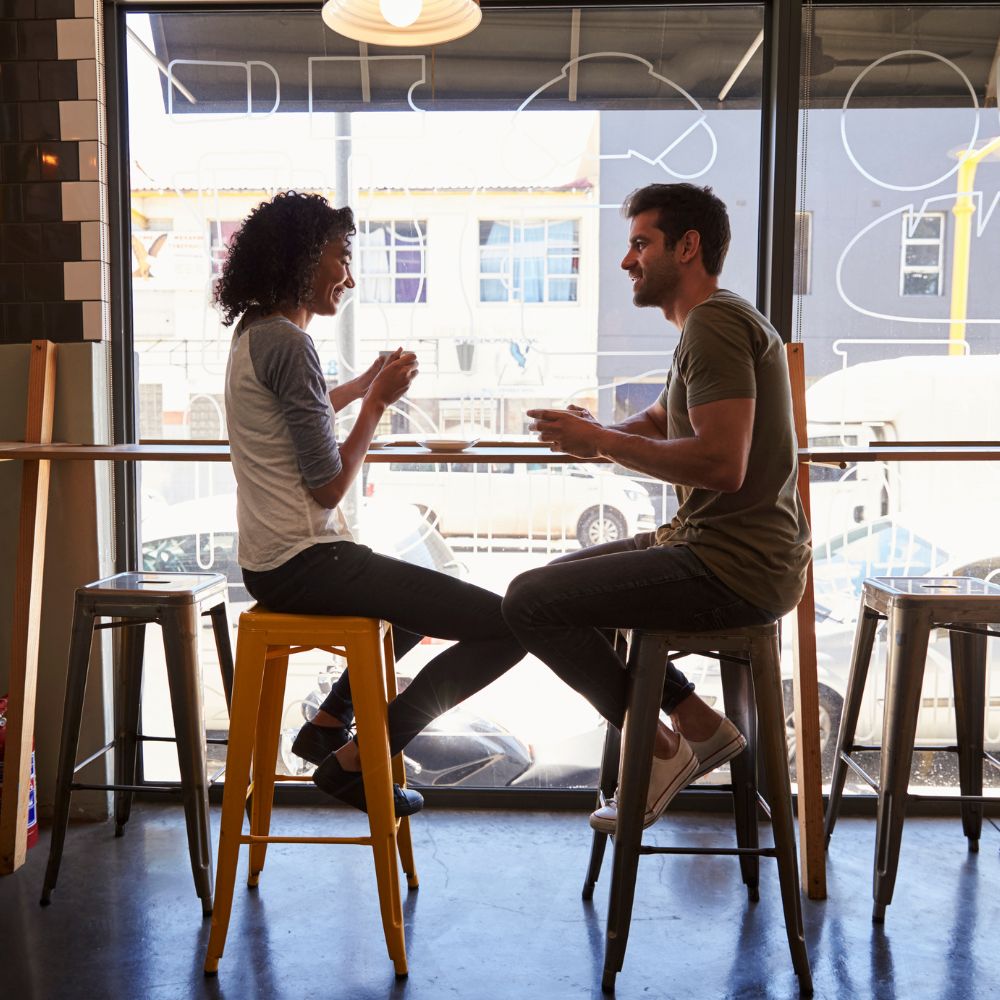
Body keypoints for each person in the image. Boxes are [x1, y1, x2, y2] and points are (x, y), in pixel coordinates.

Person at [502, 183, 811, 833]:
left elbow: (720, 465)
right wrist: (597, 435)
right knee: (548, 591)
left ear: (687, 247)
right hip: (714, 548)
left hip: (732, 565)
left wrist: (604, 443)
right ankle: (695, 722)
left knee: (531, 601)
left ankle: (665, 747)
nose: (627, 261)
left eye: (641, 243)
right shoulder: (714, 323)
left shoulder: (715, 325)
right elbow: (661, 419)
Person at [218, 191, 524, 817]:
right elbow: (327, 484)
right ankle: (358, 760)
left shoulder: (257, 334)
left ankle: (330, 722)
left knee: (421, 596)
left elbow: (294, 419)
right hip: (306, 562)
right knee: (508, 625)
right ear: (302, 260)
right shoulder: (288, 344)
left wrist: (358, 387)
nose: (349, 276)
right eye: (341, 257)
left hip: (273, 562)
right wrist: (378, 405)